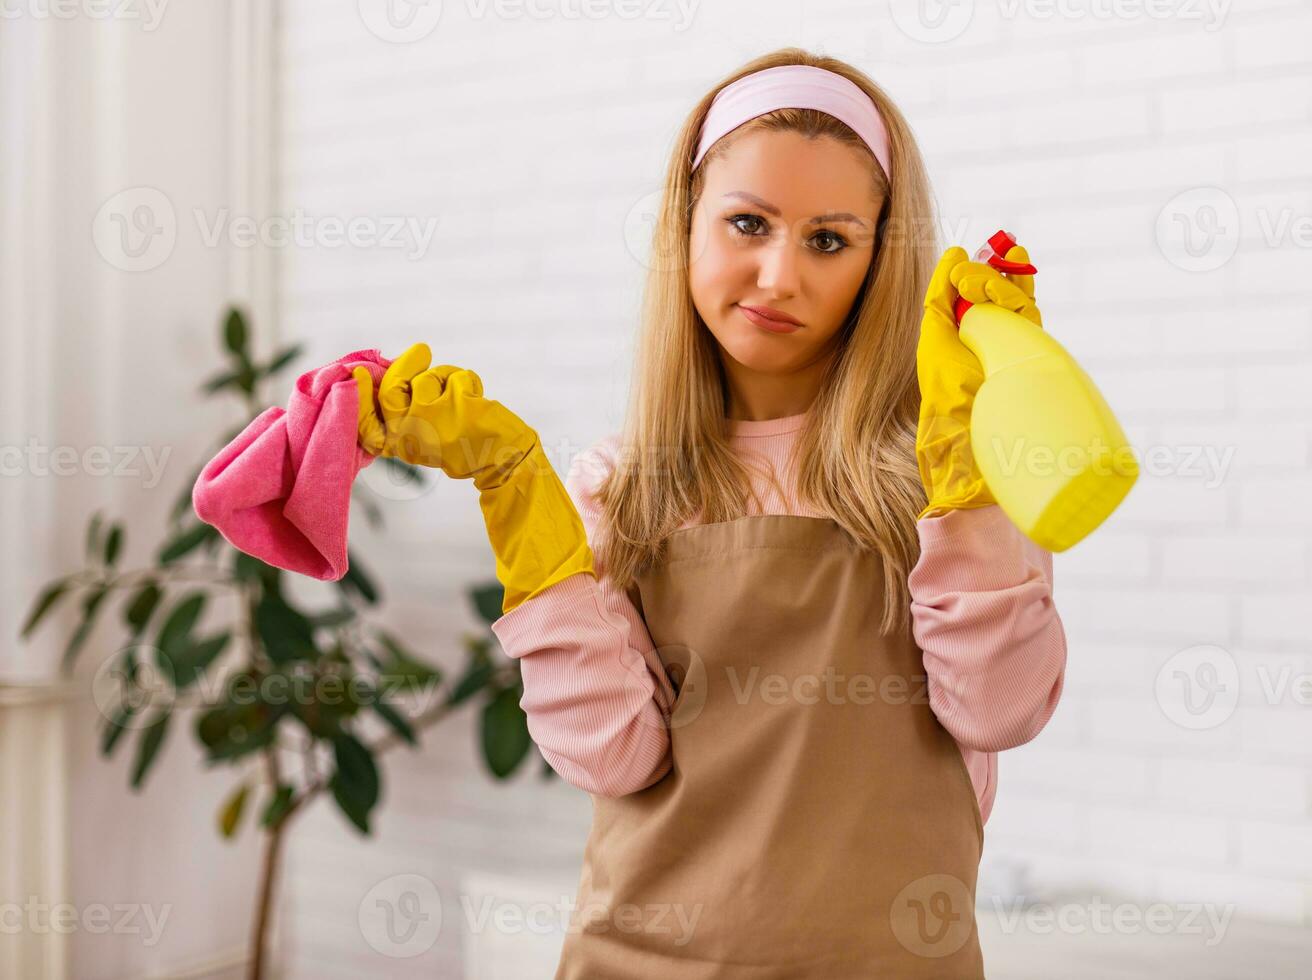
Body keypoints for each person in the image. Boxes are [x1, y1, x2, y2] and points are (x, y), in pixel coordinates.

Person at [354, 47, 1067, 980]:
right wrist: (515, 490)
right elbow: (612, 759)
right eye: (747, 223)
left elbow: (999, 706)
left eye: (828, 239)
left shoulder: (949, 468)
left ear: (880, 261)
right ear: (684, 229)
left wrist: (966, 489)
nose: (777, 275)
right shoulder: (625, 487)